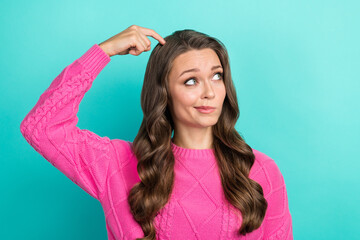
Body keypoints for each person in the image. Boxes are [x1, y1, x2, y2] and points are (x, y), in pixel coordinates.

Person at [20, 25, 293, 240]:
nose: (209, 92)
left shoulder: (261, 171)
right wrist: (104, 51)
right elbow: (41, 128)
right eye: (191, 81)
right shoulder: (118, 164)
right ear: (164, 94)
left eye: (217, 76)